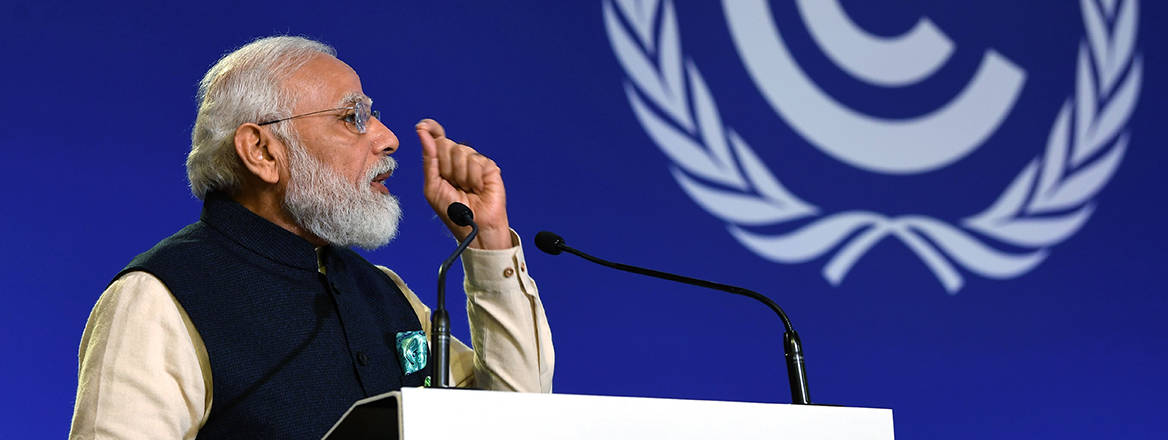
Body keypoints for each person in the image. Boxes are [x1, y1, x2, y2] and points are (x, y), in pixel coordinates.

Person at [68, 36, 554, 439]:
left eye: (373, 113)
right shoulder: (157, 300)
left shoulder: (384, 292)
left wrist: (488, 241)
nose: (388, 137)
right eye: (351, 118)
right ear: (261, 151)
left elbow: (519, 424)